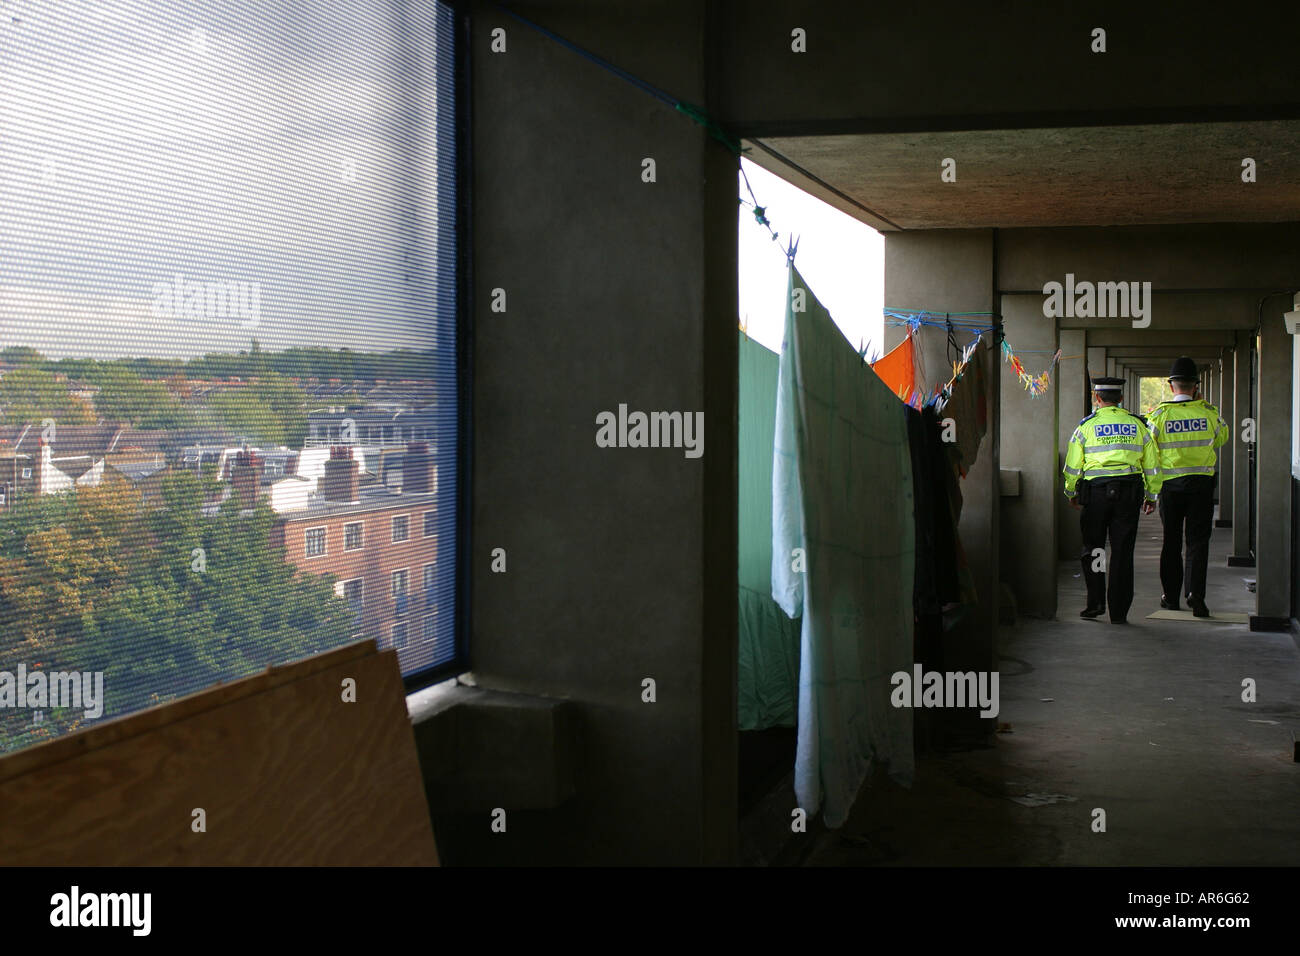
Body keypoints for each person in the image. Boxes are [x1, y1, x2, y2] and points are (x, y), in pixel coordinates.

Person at [1062, 377, 1160, 624]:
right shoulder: (1138, 425)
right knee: (1122, 552)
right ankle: (1119, 611)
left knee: (1095, 549)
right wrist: (1151, 495)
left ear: (1097, 398)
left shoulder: (1086, 426)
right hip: (1129, 494)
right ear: (1121, 399)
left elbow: (1073, 465)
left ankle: (1095, 603)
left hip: (1095, 495)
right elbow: (1152, 464)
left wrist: (1071, 492)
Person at [1147, 357, 1230, 617]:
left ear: (1172, 386)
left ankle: (1171, 598)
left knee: (1171, 541)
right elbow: (1223, 438)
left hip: (1171, 486)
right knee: (1197, 542)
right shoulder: (1208, 413)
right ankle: (1196, 595)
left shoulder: (1158, 416)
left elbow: (1149, 450)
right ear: (1196, 386)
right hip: (1202, 487)